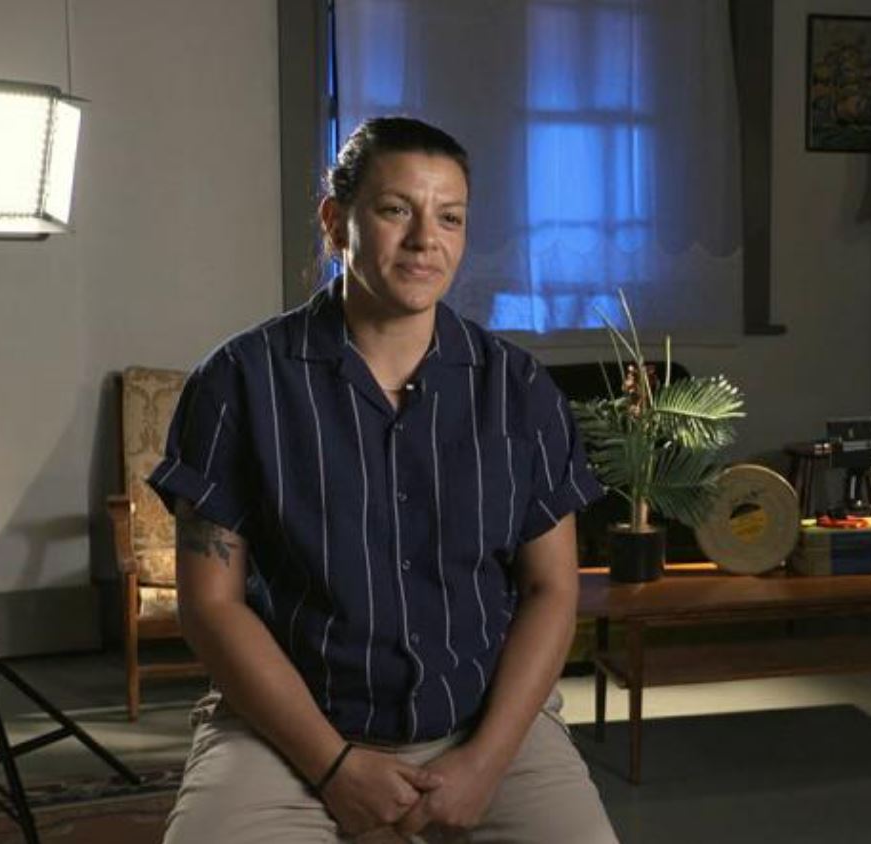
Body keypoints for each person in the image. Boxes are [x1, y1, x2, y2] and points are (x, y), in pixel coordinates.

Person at [149, 116, 618, 843]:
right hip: (288, 732)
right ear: (337, 222)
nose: (426, 238)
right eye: (396, 209)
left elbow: (551, 588)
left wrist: (487, 763)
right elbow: (211, 606)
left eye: (450, 217)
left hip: (481, 723)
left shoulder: (518, 390)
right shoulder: (237, 382)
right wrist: (334, 768)